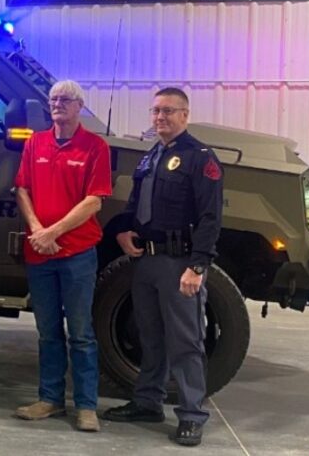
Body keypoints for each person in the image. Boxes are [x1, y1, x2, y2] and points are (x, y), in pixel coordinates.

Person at [103, 87, 224, 447]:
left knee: (186, 342)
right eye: (156, 111)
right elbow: (137, 204)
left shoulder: (200, 157)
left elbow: (210, 217)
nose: (160, 117)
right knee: (149, 336)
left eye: (169, 111)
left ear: (185, 115)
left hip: (179, 263)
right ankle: (147, 402)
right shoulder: (151, 156)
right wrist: (124, 233)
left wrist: (198, 266)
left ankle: (191, 415)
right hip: (147, 261)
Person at [12, 80, 112, 432]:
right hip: (39, 253)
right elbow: (21, 188)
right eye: (53, 99)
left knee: (81, 332)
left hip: (77, 253)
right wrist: (38, 230)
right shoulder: (35, 143)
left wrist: (53, 233)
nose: (57, 105)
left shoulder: (95, 147)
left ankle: (86, 406)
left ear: (79, 106)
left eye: (65, 100)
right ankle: (50, 399)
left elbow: (94, 200)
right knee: (48, 331)